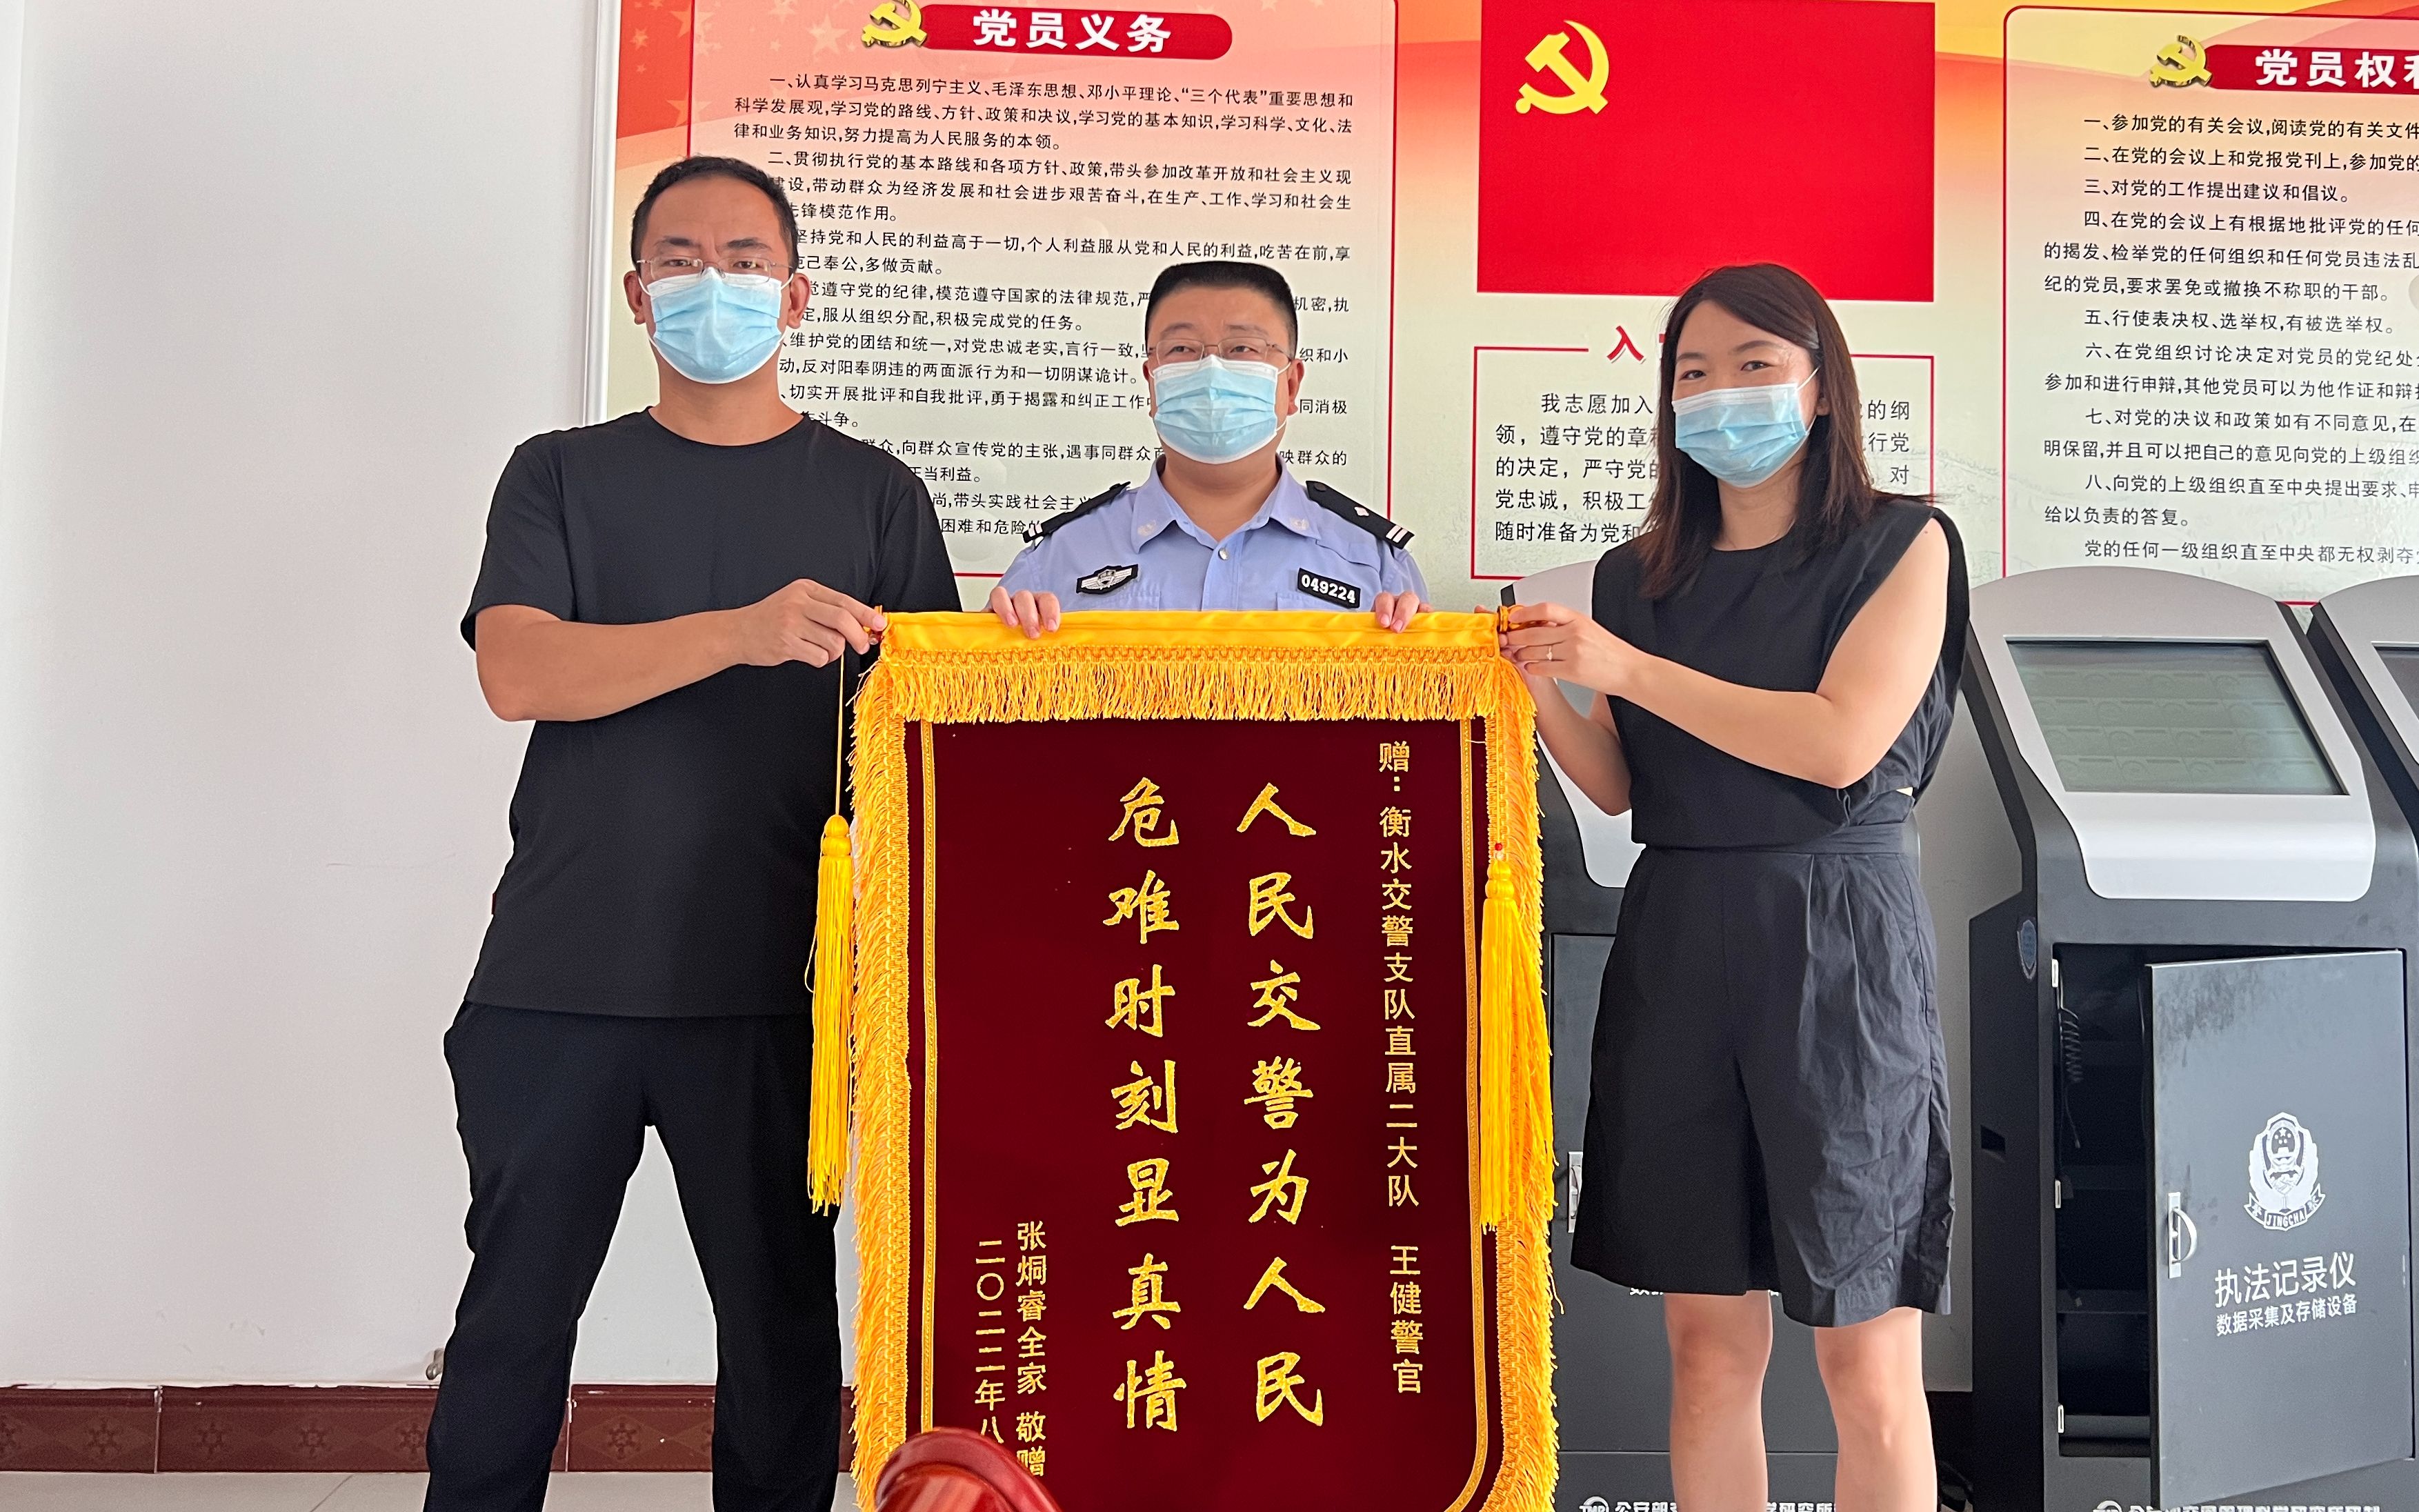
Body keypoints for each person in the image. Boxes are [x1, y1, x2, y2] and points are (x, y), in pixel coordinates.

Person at [430, 156, 955, 1512]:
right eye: (680, 260)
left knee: (781, 1332)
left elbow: (929, 745)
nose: (710, 284)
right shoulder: (559, 474)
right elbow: (517, 672)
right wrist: (739, 632)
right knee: (512, 1321)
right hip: (559, 976)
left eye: (742, 259)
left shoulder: (874, 495)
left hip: (779, 989)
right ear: (635, 292)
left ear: (796, 294)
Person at [1497, 263, 1963, 1512]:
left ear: (1821, 385)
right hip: (1679, 937)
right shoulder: (1633, 576)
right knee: (1705, 1346)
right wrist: (1541, 686)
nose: (1719, 395)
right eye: (1691, 373)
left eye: (1753, 365)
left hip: (1838, 944)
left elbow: (1837, 742)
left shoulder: (1901, 544)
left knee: (1864, 1357)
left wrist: (1623, 671)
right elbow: (1616, 787)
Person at [986, 259, 1426, 630]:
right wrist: (994, 645)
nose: (1212, 372)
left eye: (1243, 348)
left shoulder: (1376, 566)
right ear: (1153, 383)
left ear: (1291, 385)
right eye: (1182, 348)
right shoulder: (1057, 559)